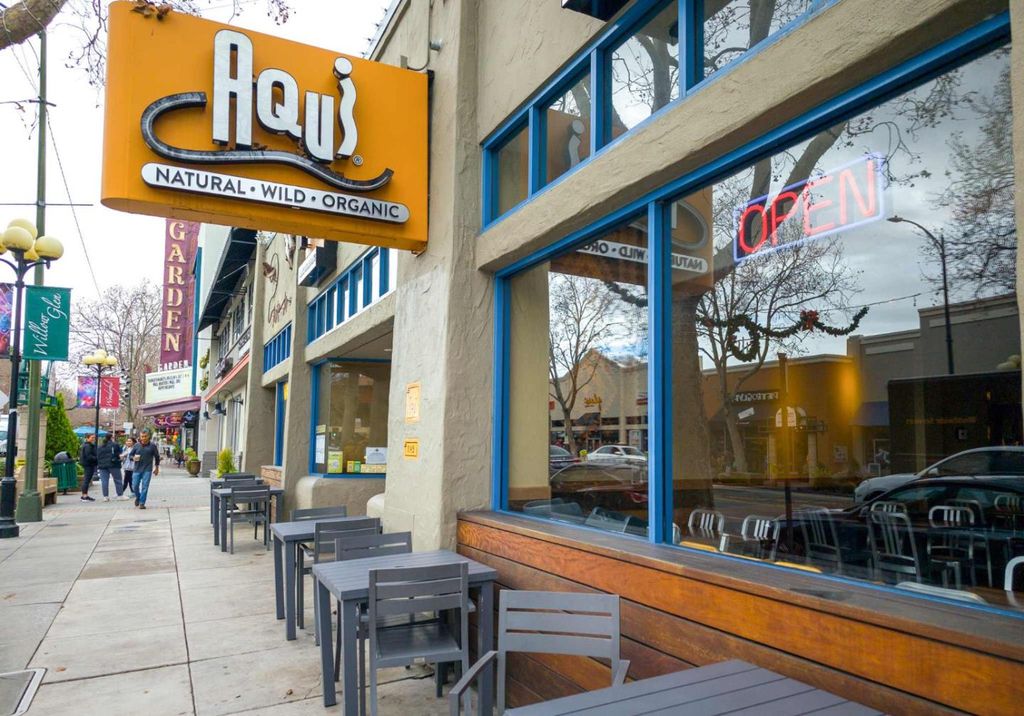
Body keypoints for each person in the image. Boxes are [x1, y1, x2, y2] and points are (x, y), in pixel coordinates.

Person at [129, 430, 161, 509]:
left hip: (147, 469)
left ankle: (142, 503)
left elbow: (157, 457)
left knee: (145, 487)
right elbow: (130, 455)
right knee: (135, 486)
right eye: (142, 436)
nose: (143, 438)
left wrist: (157, 468)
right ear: (140, 437)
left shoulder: (152, 446)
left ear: (148, 436)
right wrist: (133, 458)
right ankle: (138, 497)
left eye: (145, 436)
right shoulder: (136, 445)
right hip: (137, 469)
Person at [96, 434, 127, 502]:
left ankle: (105, 496)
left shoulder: (100, 446)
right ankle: (120, 495)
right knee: (118, 480)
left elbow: (97, 456)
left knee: (104, 481)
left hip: (102, 465)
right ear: (111, 438)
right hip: (113, 464)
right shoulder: (115, 445)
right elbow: (119, 454)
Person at [79, 433, 98, 502]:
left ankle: (84, 495)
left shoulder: (87, 445)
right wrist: (96, 458)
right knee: (86, 480)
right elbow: (89, 456)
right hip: (88, 464)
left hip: (88, 464)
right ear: (87, 438)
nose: (93, 439)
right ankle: (84, 496)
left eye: (94, 437)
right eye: (92, 437)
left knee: (87, 480)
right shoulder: (88, 446)